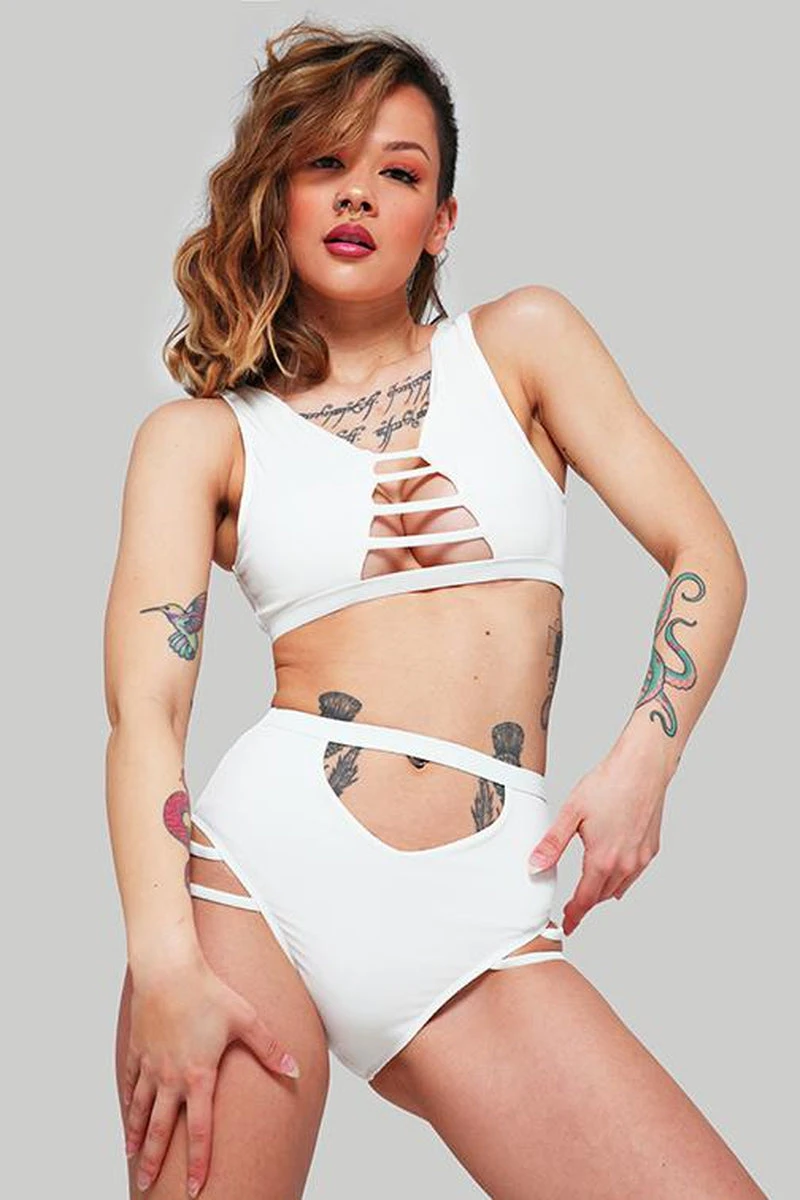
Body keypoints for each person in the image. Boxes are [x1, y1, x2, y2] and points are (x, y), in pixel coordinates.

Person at [104, 19, 766, 1200]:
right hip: (249, 890)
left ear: (441, 219)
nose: (357, 192)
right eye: (324, 162)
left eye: (397, 172)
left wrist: (641, 763)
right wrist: (163, 965)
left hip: (480, 904)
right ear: (277, 194)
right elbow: (145, 712)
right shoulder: (199, 439)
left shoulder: (521, 346)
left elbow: (703, 555)